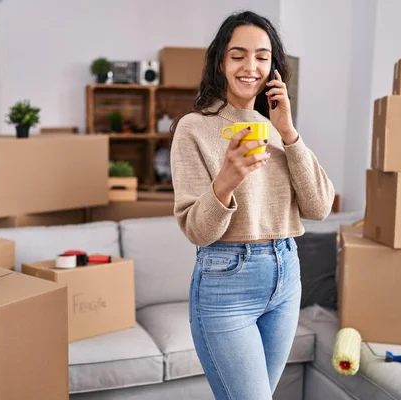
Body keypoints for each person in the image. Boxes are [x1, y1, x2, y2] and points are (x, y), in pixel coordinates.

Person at [169, 10, 335, 400]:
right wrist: (227, 178)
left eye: (262, 56)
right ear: (220, 63)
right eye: (238, 55)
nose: (251, 66)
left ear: (274, 67)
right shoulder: (194, 127)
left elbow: (320, 207)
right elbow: (198, 231)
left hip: (286, 273)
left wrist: (290, 133)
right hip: (227, 278)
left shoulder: (277, 128)